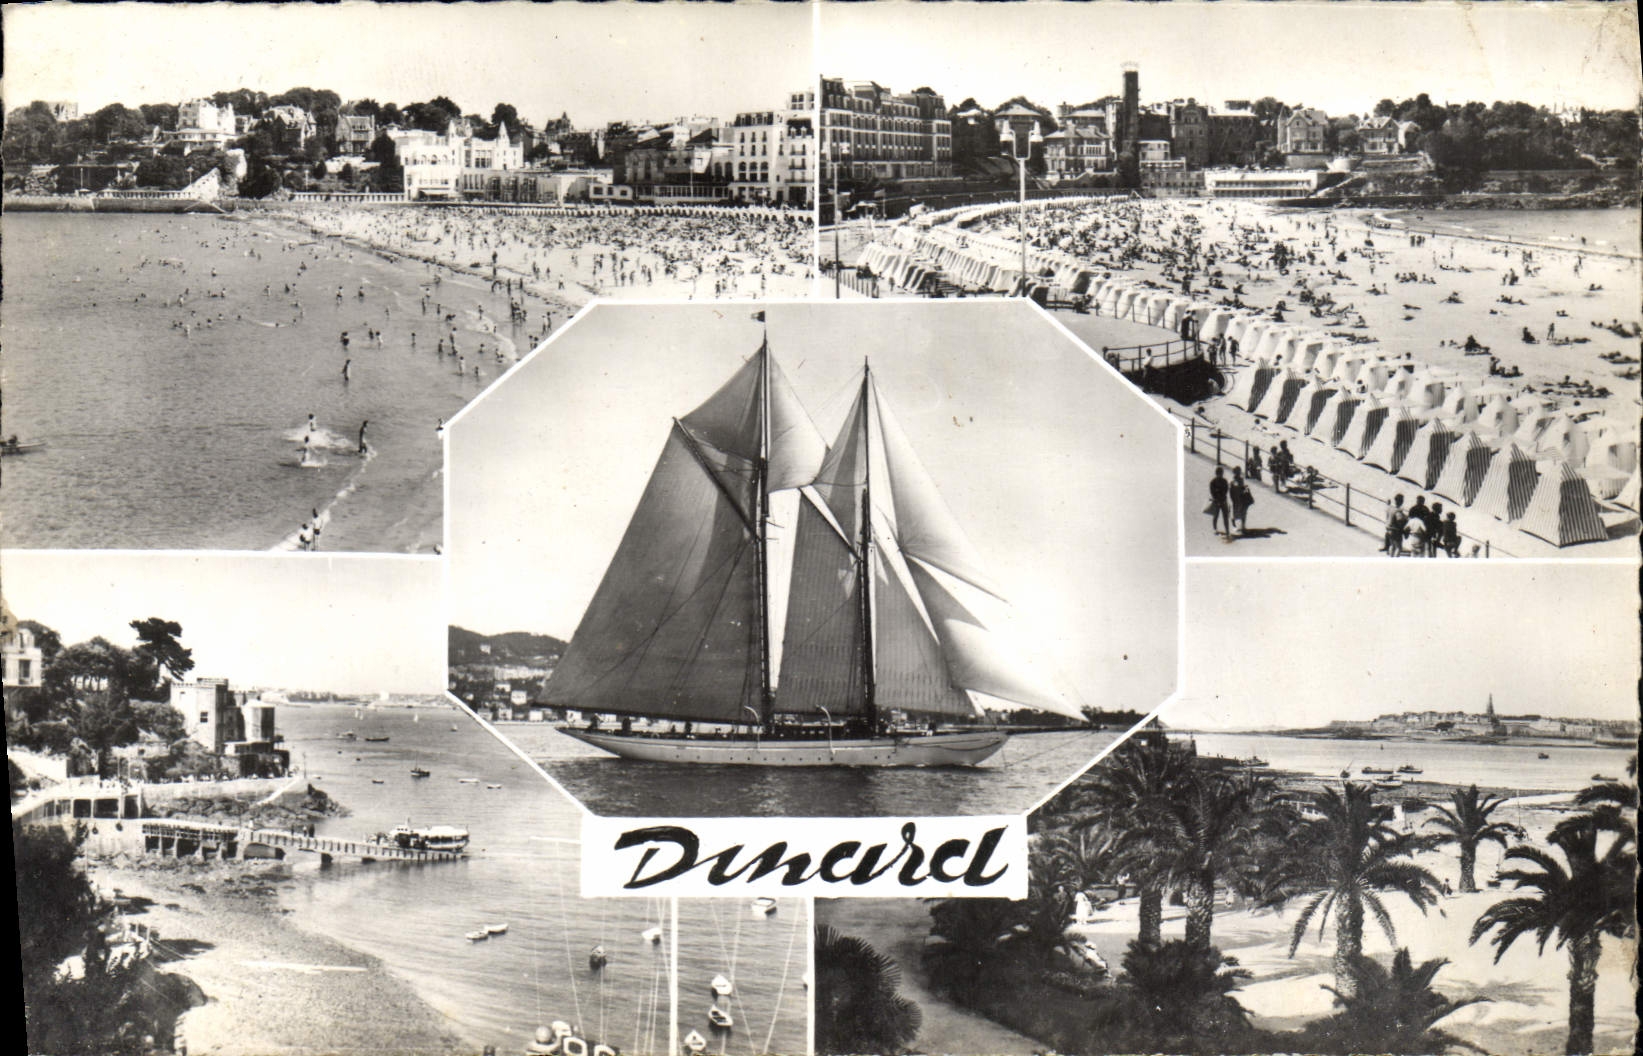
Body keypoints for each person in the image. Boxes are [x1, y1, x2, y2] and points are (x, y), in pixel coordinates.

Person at [1229, 467, 1253, 536]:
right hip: (1235, 499)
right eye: (1237, 472)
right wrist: (1232, 499)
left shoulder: (1241, 479)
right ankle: (1234, 526)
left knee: (1243, 512)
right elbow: (1230, 491)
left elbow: (1242, 488)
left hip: (1241, 498)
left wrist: (1245, 488)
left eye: (1239, 472)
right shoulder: (1232, 481)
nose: (1239, 474)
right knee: (1234, 513)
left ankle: (1243, 526)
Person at [1208, 466, 1231, 537]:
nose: (1220, 475)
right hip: (1217, 501)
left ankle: (1227, 530)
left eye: (1221, 473)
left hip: (1223, 500)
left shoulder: (1224, 481)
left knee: (1225, 516)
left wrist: (1221, 495)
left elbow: (1226, 490)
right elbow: (1212, 492)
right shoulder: (1213, 482)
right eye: (1219, 473)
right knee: (1216, 515)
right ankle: (1215, 528)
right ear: (1216, 473)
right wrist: (1217, 498)